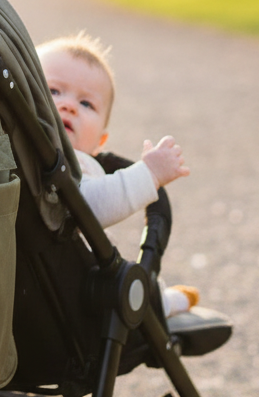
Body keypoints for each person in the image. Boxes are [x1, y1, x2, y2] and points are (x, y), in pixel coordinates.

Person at [37, 32, 201, 318]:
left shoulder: (78, 163)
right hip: (69, 297)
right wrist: (149, 174)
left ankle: (162, 300)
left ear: (100, 142)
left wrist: (148, 173)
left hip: (64, 285)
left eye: (86, 104)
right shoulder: (47, 161)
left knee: (123, 280)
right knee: (122, 287)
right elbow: (86, 207)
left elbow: (85, 206)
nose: (69, 105)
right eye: (53, 91)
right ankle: (161, 303)